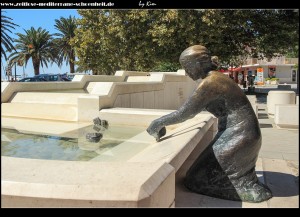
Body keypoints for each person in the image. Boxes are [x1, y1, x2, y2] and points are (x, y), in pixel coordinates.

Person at [146, 45, 272, 202]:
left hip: (241, 136)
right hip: (244, 134)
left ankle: (245, 191)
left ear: (198, 64)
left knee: (195, 181)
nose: (186, 72)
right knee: (199, 176)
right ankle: (242, 185)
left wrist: (156, 124)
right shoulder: (217, 78)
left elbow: (185, 113)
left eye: (187, 67)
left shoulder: (210, 83)